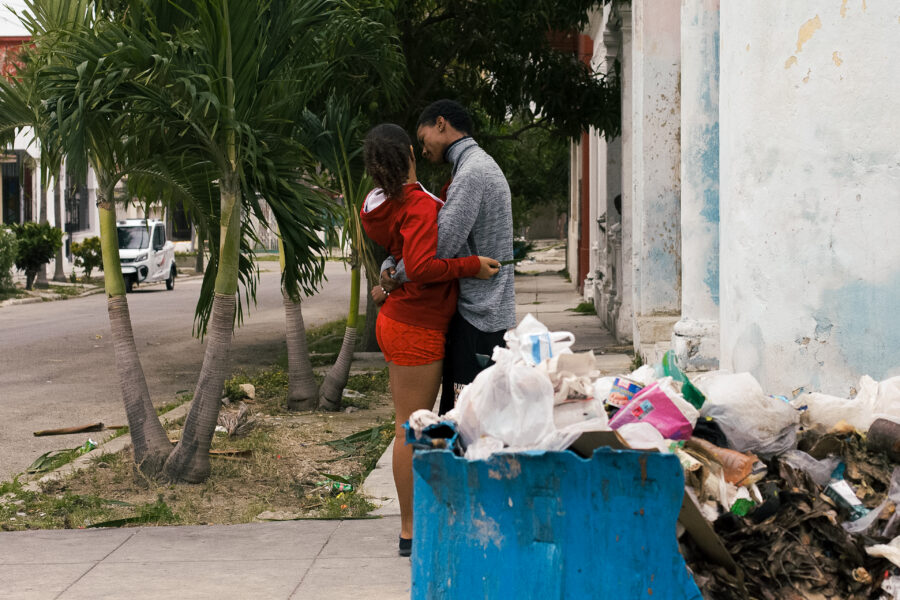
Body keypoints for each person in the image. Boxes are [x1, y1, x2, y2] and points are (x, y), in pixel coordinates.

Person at [360, 123, 500, 557]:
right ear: (407, 152)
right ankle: (410, 531)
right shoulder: (417, 205)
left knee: (411, 426)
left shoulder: (376, 203)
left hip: (402, 321)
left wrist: (390, 271)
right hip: (415, 326)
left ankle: (414, 525)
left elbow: (403, 257)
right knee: (412, 429)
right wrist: (471, 265)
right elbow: (420, 267)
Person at [377, 99, 516, 415]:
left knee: (465, 423)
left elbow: (436, 250)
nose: (422, 150)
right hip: (485, 314)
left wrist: (393, 275)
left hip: (479, 317)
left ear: (441, 123)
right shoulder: (475, 166)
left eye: (422, 138)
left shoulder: (471, 173)